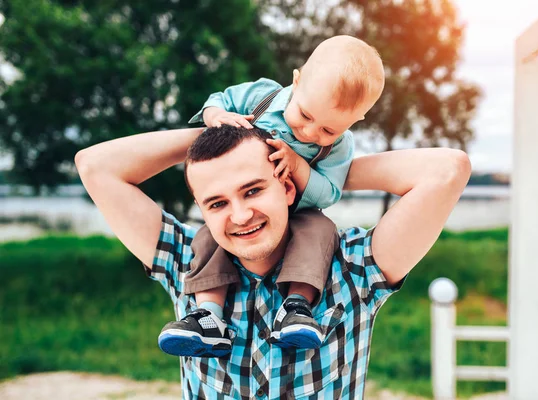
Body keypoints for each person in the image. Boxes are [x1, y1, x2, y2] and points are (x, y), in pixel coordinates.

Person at [75, 124, 470, 399]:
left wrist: (315, 173)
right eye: (217, 202)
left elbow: (446, 170)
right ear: (203, 209)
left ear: (284, 186)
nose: (240, 215)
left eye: (253, 190)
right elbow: (95, 166)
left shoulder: (353, 268)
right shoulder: (185, 263)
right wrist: (217, 135)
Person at [158, 35, 386, 357]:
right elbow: (217, 100)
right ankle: (208, 315)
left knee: (320, 232)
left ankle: (296, 306)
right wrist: (216, 119)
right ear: (296, 80)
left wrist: (299, 167)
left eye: (328, 130)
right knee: (209, 238)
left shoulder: (339, 147)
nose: (309, 133)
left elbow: (330, 192)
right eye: (305, 116)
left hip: (300, 210)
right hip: (247, 199)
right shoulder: (262, 95)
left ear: (356, 121)